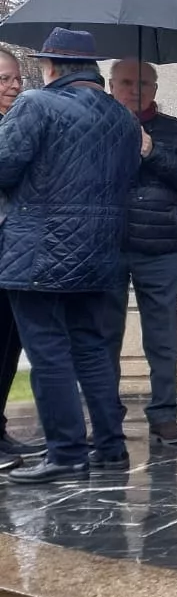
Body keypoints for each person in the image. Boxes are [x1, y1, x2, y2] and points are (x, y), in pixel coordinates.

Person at [0, 28, 141, 483]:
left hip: (37, 251)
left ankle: (65, 452)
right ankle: (110, 447)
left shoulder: (35, 104)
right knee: (92, 349)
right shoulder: (122, 118)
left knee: (49, 354)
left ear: (52, 66)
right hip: (100, 252)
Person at [107, 60, 177, 447]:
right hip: (108, 244)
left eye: (144, 83)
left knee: (163, 336)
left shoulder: (176, 130)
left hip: (159, 247)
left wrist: (152, 152)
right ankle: (107, 413)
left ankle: (164, 414)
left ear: (155, 87)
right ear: (111, 85)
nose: (135, 89)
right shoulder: (97, 124)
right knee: (105, 335)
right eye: (127, 82)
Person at [0, 47, 45, 468]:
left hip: (14, 258)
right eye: (3, 79)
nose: (14, 86)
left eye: (16, 79)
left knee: (9, 346)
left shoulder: (17, 127)